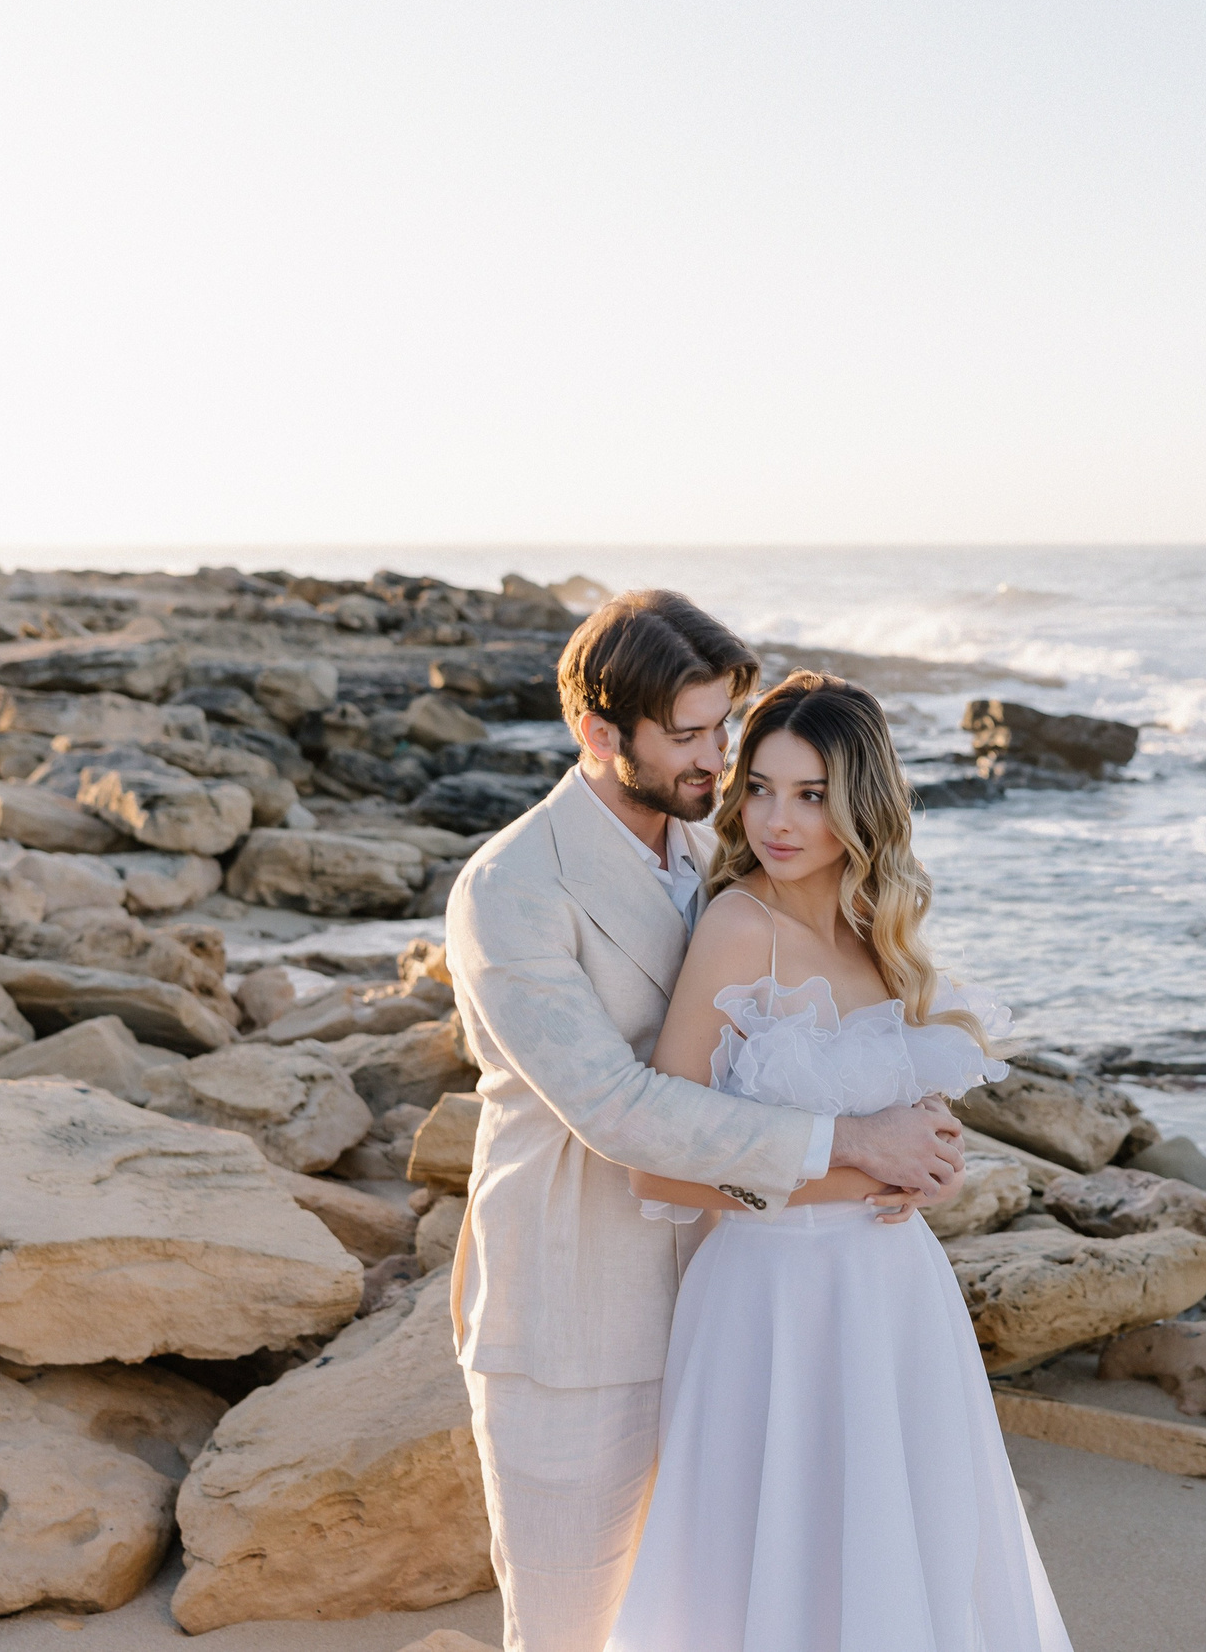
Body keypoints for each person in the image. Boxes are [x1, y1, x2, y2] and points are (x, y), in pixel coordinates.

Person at [444, 593, 968, 1652]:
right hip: (578, 1313)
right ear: (600, 733)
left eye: (722, 725)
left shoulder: (711, 856)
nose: (718, 759)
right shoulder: (511, 889)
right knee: (571, 1629)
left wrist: (910, 1121)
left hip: (732, 1307)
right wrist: (854, 1148)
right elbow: (617, 1107)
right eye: (688, 735)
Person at [608, 670, 1074, 1652]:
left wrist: (933, 1158)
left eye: (811, 794)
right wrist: (866, 1169)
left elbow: (904, 1109)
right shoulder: (740, 928)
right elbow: (656, 1165)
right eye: (760, 788)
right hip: (772, 1303)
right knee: (780, 1567)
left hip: (897, 1296)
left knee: (902, 1560)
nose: (777, 820)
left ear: (861, 803)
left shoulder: (878, 932)